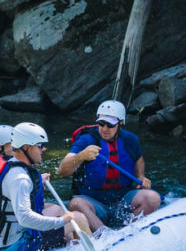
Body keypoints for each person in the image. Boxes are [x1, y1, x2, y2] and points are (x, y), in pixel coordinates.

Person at [0, 122, 92, 251]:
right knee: (78, 218)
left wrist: (36, 181)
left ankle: (71, 249)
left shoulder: (11, 165)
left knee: (56, 210)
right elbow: (25, 218)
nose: (44, 149)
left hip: (8, 237)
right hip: (18, 245)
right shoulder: (20, 179)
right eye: (40, 145)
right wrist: (61, 221)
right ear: (26, 147)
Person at [57, 99, 161, 231]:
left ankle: (130, 231)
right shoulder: (86, 140)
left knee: (152, 198)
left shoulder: (131, 140)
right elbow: (62, 170)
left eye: (110, 125)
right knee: (76, 203)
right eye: (101, 123)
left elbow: (138, 159)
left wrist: (141, 176)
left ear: (120, 123)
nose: (105, 129)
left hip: (122, 200)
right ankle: (105, 236)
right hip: (93, 203)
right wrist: (81, 156)